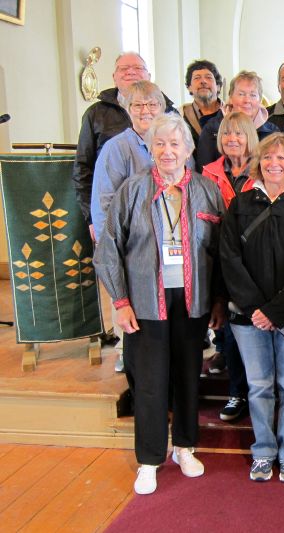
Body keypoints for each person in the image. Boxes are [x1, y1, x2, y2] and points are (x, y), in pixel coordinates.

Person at [94, 114, 226, 495]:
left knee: (188, 376)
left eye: (175, 144)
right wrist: (120, 302)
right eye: (160, 144)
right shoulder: (132, 190)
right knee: (150, 383)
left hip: (192, 300)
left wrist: (217, 299)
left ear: (188, 150)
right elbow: (107, 252)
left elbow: (219, 251)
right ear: (151, 149)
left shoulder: (206, 190)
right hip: (145, 301)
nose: (168, 151)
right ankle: (150, 460)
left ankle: (185, 447)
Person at [220, 133, 284, 484]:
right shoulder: (241, 203)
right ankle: (263, 451)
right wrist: (255, 308)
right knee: (260, 385)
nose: (274, 163)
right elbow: (229, 258)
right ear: (258, 162)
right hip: (249, 317)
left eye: (281, 158)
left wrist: (276, 310)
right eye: (267, 157)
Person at [90, 80, 166, 374]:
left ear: (161, 107)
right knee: (129, 307)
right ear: (127, 109)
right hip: (131, 245)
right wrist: (113, 245)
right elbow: (104, 203)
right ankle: (127, 354)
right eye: (137, 105)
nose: (145, 111)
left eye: (151, 105)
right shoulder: (117, 148)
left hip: (166, 246)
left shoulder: (170, 140)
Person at [73, 51, 176, 242]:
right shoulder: (97, 114)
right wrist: (92, 219)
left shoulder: (171, 113)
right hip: (121, 220)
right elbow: (84, 169)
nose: (131, 72)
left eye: (138, 68)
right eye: (124, 68)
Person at [202, 112, 261, 422]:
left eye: (239, 134)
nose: (233, 140)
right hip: (221, 258)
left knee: (256, 328)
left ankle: (260, 392)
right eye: (227, 134)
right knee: (232, 329)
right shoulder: (208, 173)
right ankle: (237, 392)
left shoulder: (264, 168)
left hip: (255, 260)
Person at [196, 70, 279, 169]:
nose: (247, 100)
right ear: (231, 98)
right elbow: (204, 169)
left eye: (253, 95)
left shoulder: (272, 133)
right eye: (241, 94)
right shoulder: (213, 128)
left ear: (260, 100)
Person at [181, 59, 224, 153]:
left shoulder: (231, 113)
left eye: (208, 77)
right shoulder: (179, 115)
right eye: (197, 78)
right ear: (189, 87)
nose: (203, 81)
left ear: (218, 86)